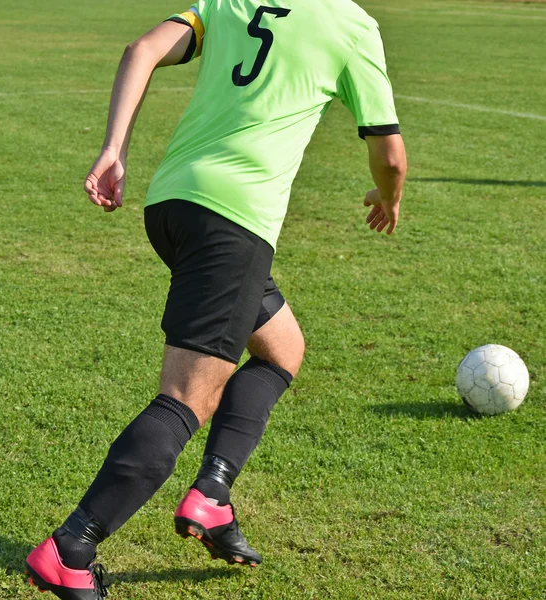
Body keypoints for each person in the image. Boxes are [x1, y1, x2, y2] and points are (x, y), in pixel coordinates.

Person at [25, 0, 407, 597]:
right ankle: (72, 546)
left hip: (173, 205)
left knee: (283, 350)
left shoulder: (233, 0)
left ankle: (212, 495)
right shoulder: (351, 25)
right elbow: (389, 154)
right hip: (234, 223)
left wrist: (113, 150)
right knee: (185, 400)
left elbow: (141, 50)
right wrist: (390, 197)